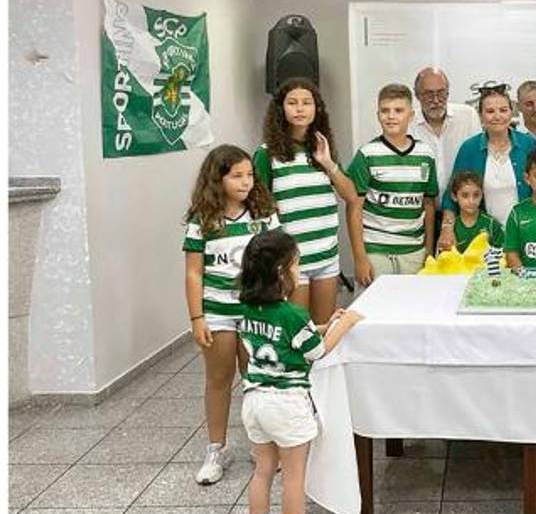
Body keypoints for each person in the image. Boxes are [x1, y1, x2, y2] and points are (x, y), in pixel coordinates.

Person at [236, 229, 363, 514]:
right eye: (295, 265)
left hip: (254, 400)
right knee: (294, 475)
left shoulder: (249, 309)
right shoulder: (293, 314)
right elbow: (317, 351)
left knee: (263, 470)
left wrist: (323, 324)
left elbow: (286, 337)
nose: (299, 270)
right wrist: (346, 323)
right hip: (286, 404)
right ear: (281, 272)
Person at [182, 144, 280, 485]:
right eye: (236, 176)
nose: (246, 182)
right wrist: (197, 318)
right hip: (218, 312)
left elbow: (278, 262)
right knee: (219, 378)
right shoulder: (202, 221)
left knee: (257, 378)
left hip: (256, 311)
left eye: (249, 175)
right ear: (217, 178)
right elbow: (194, 273)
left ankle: (262, 445)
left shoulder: (264, 215)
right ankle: (216, 449)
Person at [254, 78, 359, 328]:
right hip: (292, 260)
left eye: (306, 102)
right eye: (292, 103)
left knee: (323, 332)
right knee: (298, 333)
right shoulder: (266, 153)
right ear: (281, 109)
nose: (300, 108)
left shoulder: (322, 149)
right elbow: (259, 208)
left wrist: (328, 163)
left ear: (316, 108)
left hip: (326, 256)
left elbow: (351, 195)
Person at [345, 84, 438, 287]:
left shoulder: (426, 154)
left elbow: (429, 204)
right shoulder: (367, 154)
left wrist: (429, 250)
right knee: (373, 306)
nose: (391, 116)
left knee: (413, 305)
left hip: (413, 251)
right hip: (375, 251)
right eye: (385, 110)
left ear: (411, 115)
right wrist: (360, 258)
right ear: (378, 115)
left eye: (398, 110)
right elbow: (354, 208)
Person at [439, 84, 536, 251]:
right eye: (490, 111)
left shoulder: (528, 144)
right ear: (481, 116)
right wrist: (447, 229)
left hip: (525, 235)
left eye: (503, 110)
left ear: (512, 112)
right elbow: (452, 194)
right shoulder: (469, 149)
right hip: (483, 239)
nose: (497, 116)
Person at [408, 66, 481, 201]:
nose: (436, 100)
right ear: (417, 95)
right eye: (429, 94)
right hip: (421, 207)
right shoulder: (407, 123)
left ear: (448, 93)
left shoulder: (468, 116)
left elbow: (478, 163)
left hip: (463, 207)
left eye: (441, 93)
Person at [447, 170, 505, 252]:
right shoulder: (451, 228)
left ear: (482, 195)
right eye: (465, 195)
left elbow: (503, 254)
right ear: (454, 196)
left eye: (476, 195)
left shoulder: (491, 224)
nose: (471, 201)